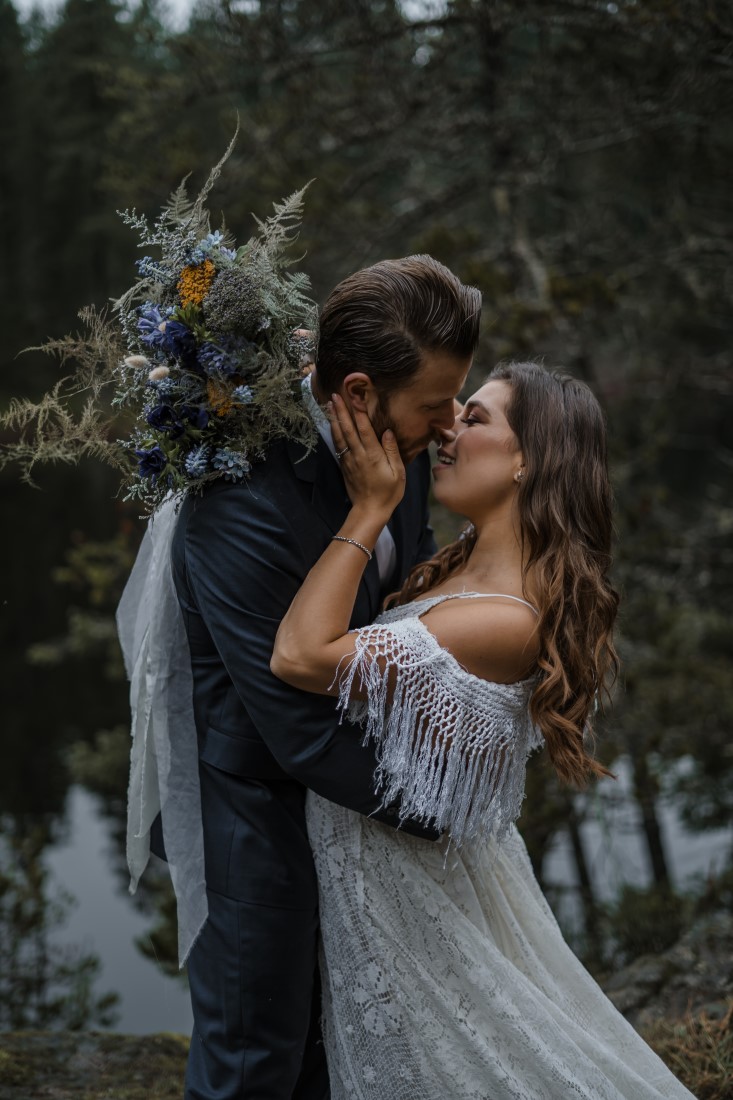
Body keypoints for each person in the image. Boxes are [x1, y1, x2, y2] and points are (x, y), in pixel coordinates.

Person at [271, 361, 697, 1100]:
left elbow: (301, 656)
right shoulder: (459, 570)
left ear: (527, 458)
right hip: (394, 889)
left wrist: (369, 507)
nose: (448, 432)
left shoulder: (502, 619)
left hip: (410, 908)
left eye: (475, 421)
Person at [169, 255, 481, 1099]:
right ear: (355, 392)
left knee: (341, 1060)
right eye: (434, 406)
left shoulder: (395, 440)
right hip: (255, 821)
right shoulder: (238, 502)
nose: (452, 424)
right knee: (258, 1063)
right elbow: (299, 728)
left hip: (355, 808)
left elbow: (399, 605)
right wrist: (447, 808)